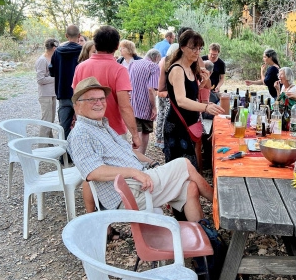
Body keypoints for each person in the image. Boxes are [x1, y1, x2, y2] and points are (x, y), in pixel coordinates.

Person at [67, 76, 214, 223]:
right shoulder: (81, 133)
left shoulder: (101, 125)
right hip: (127, 193)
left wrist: (152, 163)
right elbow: (93, 172)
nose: (99, 103)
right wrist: (134, 172)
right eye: (92, 100)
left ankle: (203, 235)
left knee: (190, 188)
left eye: (102, 98)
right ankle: (219, 206)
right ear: (77, 105)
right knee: (184, 165)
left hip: (139, 183)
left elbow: (128, 152)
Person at [72, 25, 141, 149]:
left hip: (87, 130)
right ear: (116, 46)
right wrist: (135, 135)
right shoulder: (119, 70)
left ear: (96, 43)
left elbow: (76, 100)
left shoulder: (81, 67)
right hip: (113, 131)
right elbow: (125, 106)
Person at [163, 30, 225, 169]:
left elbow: (192, 93)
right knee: (180, 172)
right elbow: (181, 100)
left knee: (189, 169)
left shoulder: (191, 67)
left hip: (188, 124)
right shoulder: (178, 69)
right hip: (177, 126)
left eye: (199, 48)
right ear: (183, 48)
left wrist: (204, 82)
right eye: (193, 48)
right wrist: (205, 107)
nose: (197, 52)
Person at [49, 25, 82, 139]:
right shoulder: (82, 51)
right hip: (80, 95)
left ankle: (63, 156)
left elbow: (51, 71)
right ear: (79, 36)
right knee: (82, 127)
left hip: (63, 94)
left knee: (64, 128)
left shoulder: (57, 52)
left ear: (66, 36)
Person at [129, 49, 161, 154]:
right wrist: (154, 107)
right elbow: (151, 89)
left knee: (136, 131)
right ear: (156, 58)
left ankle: (134, 156)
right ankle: (142, 156)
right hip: (146, 105)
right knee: (145, 132)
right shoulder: (154, 67)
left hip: (132, 103)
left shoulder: (133, 63)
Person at [155, 43, 179, 149]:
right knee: (164, 115)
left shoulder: (164, 60)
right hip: (166, 94)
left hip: (164, 94)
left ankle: (159, 138)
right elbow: (160, 85)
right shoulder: (167, 61)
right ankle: (162, 139)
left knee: (162, 114)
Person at [35, 38, 58, 138]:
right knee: (46, 121)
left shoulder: (52, 58)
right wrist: (56, 78)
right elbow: (40, 79)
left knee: (51, 121)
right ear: (54, 48)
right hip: (45, 95)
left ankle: (49, 145)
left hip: (52, 93)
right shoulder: (42, 60)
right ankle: (42, 147)